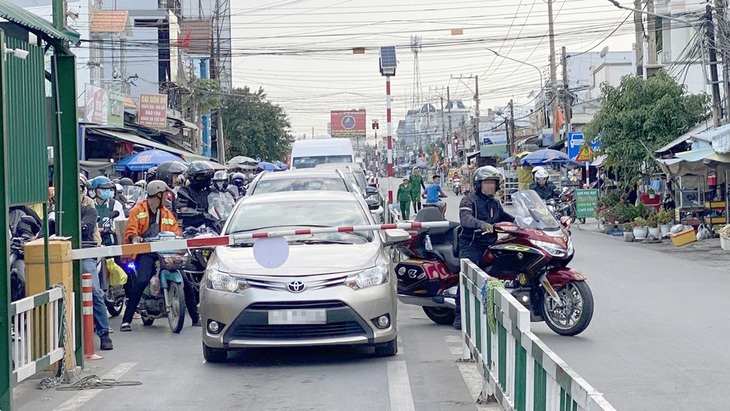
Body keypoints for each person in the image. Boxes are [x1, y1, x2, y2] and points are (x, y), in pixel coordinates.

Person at [456, 166, 515, 329]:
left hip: (491, 245)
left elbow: (508, 218)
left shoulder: (495, 203)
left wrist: (526, 223)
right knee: (468, 275)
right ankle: (460, 315)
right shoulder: (468, 200)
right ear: (478, 184)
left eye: (493, 183)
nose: (491, 186)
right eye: (487, 182)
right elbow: (465, 218)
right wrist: (481, 224)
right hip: (471, 245)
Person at [120, 180, 181, 331]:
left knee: (184, 279)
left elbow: (176, 232)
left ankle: (195, 317)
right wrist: (135, 238)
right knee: (141, 281)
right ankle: (126, 320)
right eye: (165, 194)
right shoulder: (138, 210)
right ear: (159, 194)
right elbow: (131, 231)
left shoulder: (167, 213)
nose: (167, 197)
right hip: (146, 252)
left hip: (165, 252)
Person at [79, 177, 113, 350]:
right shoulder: (57, 211)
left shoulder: (89, 210)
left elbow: (86, 228)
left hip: (85, 254)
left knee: (94, 292)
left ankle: (104, 333)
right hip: (60, 254)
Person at [174, 161, 215, 229]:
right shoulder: (185, 191)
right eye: (201, 176)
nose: (204, 179)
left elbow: (219, 206)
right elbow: (183, 209)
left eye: (207, 176)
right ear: (192, 177)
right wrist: (200, 214)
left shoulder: (211, 190)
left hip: (212, 225)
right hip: (192, 228)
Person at [90, 176, 126, 246]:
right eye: (103, 189)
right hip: (94, 243)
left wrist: (112, 229)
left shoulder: (115, 204)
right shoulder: (90, 204)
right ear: (94, 190)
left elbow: (120, 224)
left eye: (108, 189)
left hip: (111, 242)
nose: (106, 191)